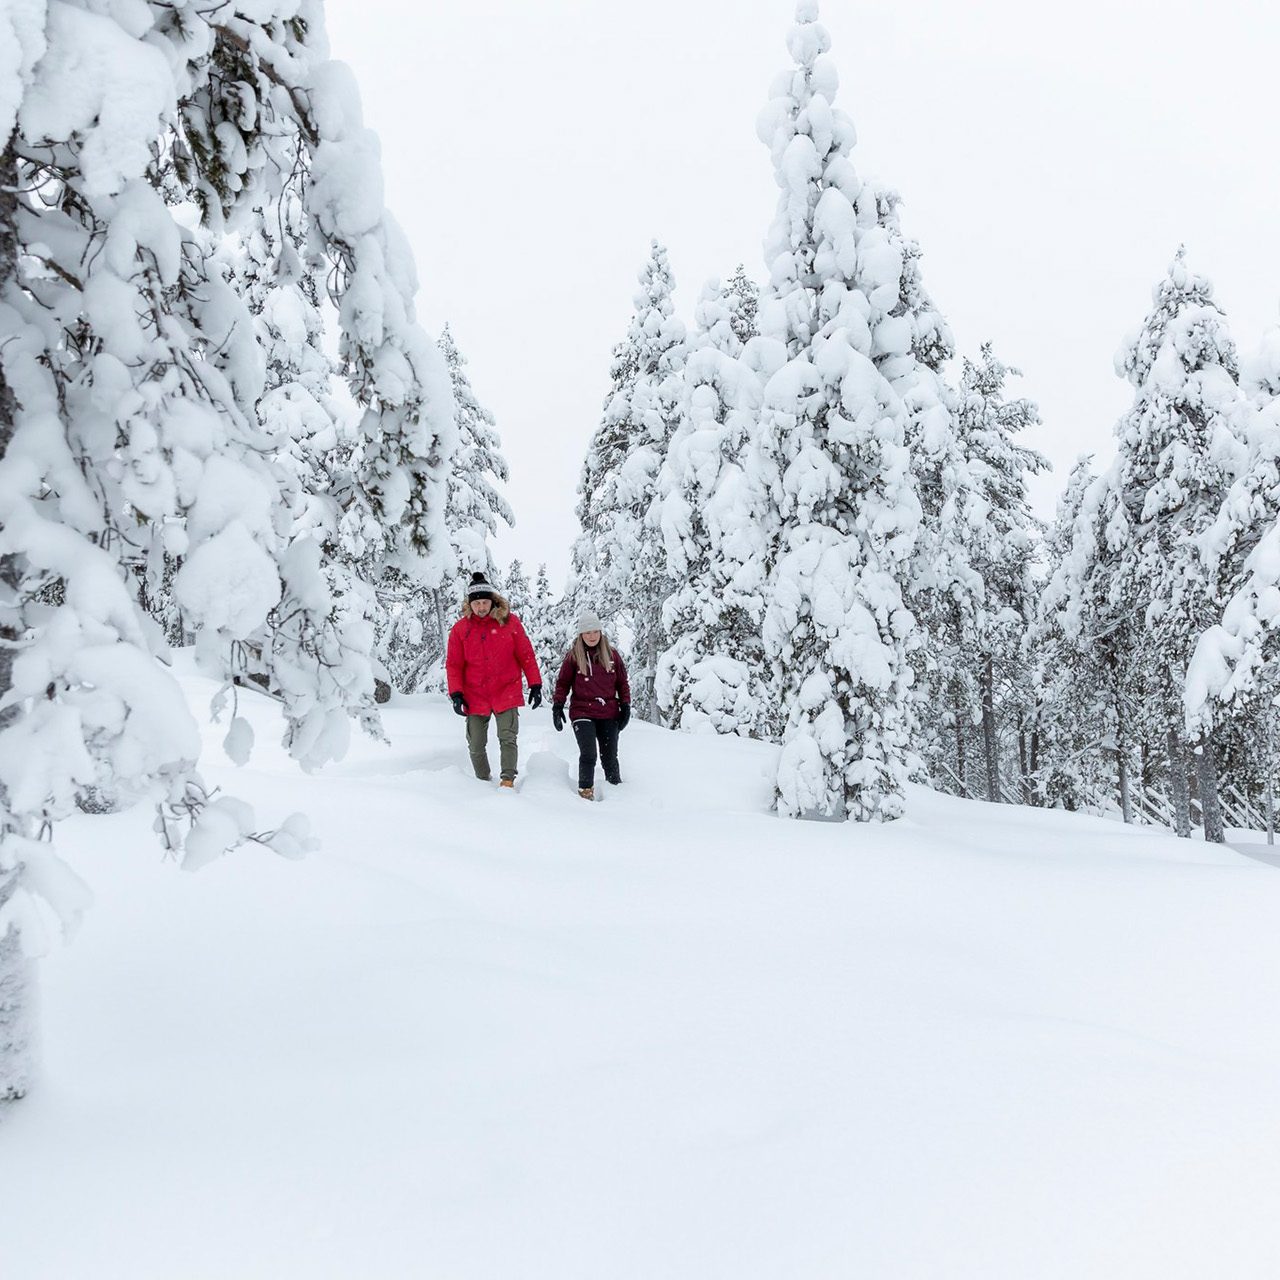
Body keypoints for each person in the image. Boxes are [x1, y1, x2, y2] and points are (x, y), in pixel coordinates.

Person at [446, 572, 542, 788]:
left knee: (507, 737)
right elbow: (454, 664)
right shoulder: (460, 629)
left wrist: (535, 683)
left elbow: (526, 655)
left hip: (505, 690)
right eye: (477, 603)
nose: (481, 607)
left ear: (492, 601)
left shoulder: (510, 623)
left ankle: (507, 780)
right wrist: (456, 693)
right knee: (476, 744)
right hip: (474, 693)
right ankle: (482, 781)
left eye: (485, 602)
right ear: (470, 604)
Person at [551, 609, 631, 800]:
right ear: (581, 634)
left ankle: (617, 793)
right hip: (582, 712)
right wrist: (558, 705)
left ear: (600, 632)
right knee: (589, 754)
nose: (592, 636)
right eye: (587, 632)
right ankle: (585, 792)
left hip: (609, 712)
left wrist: (625, 706)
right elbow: (563, 683)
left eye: (595, 631)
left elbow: (622, 682)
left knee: (609, 757)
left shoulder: (612, 655)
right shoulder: (573, 657)